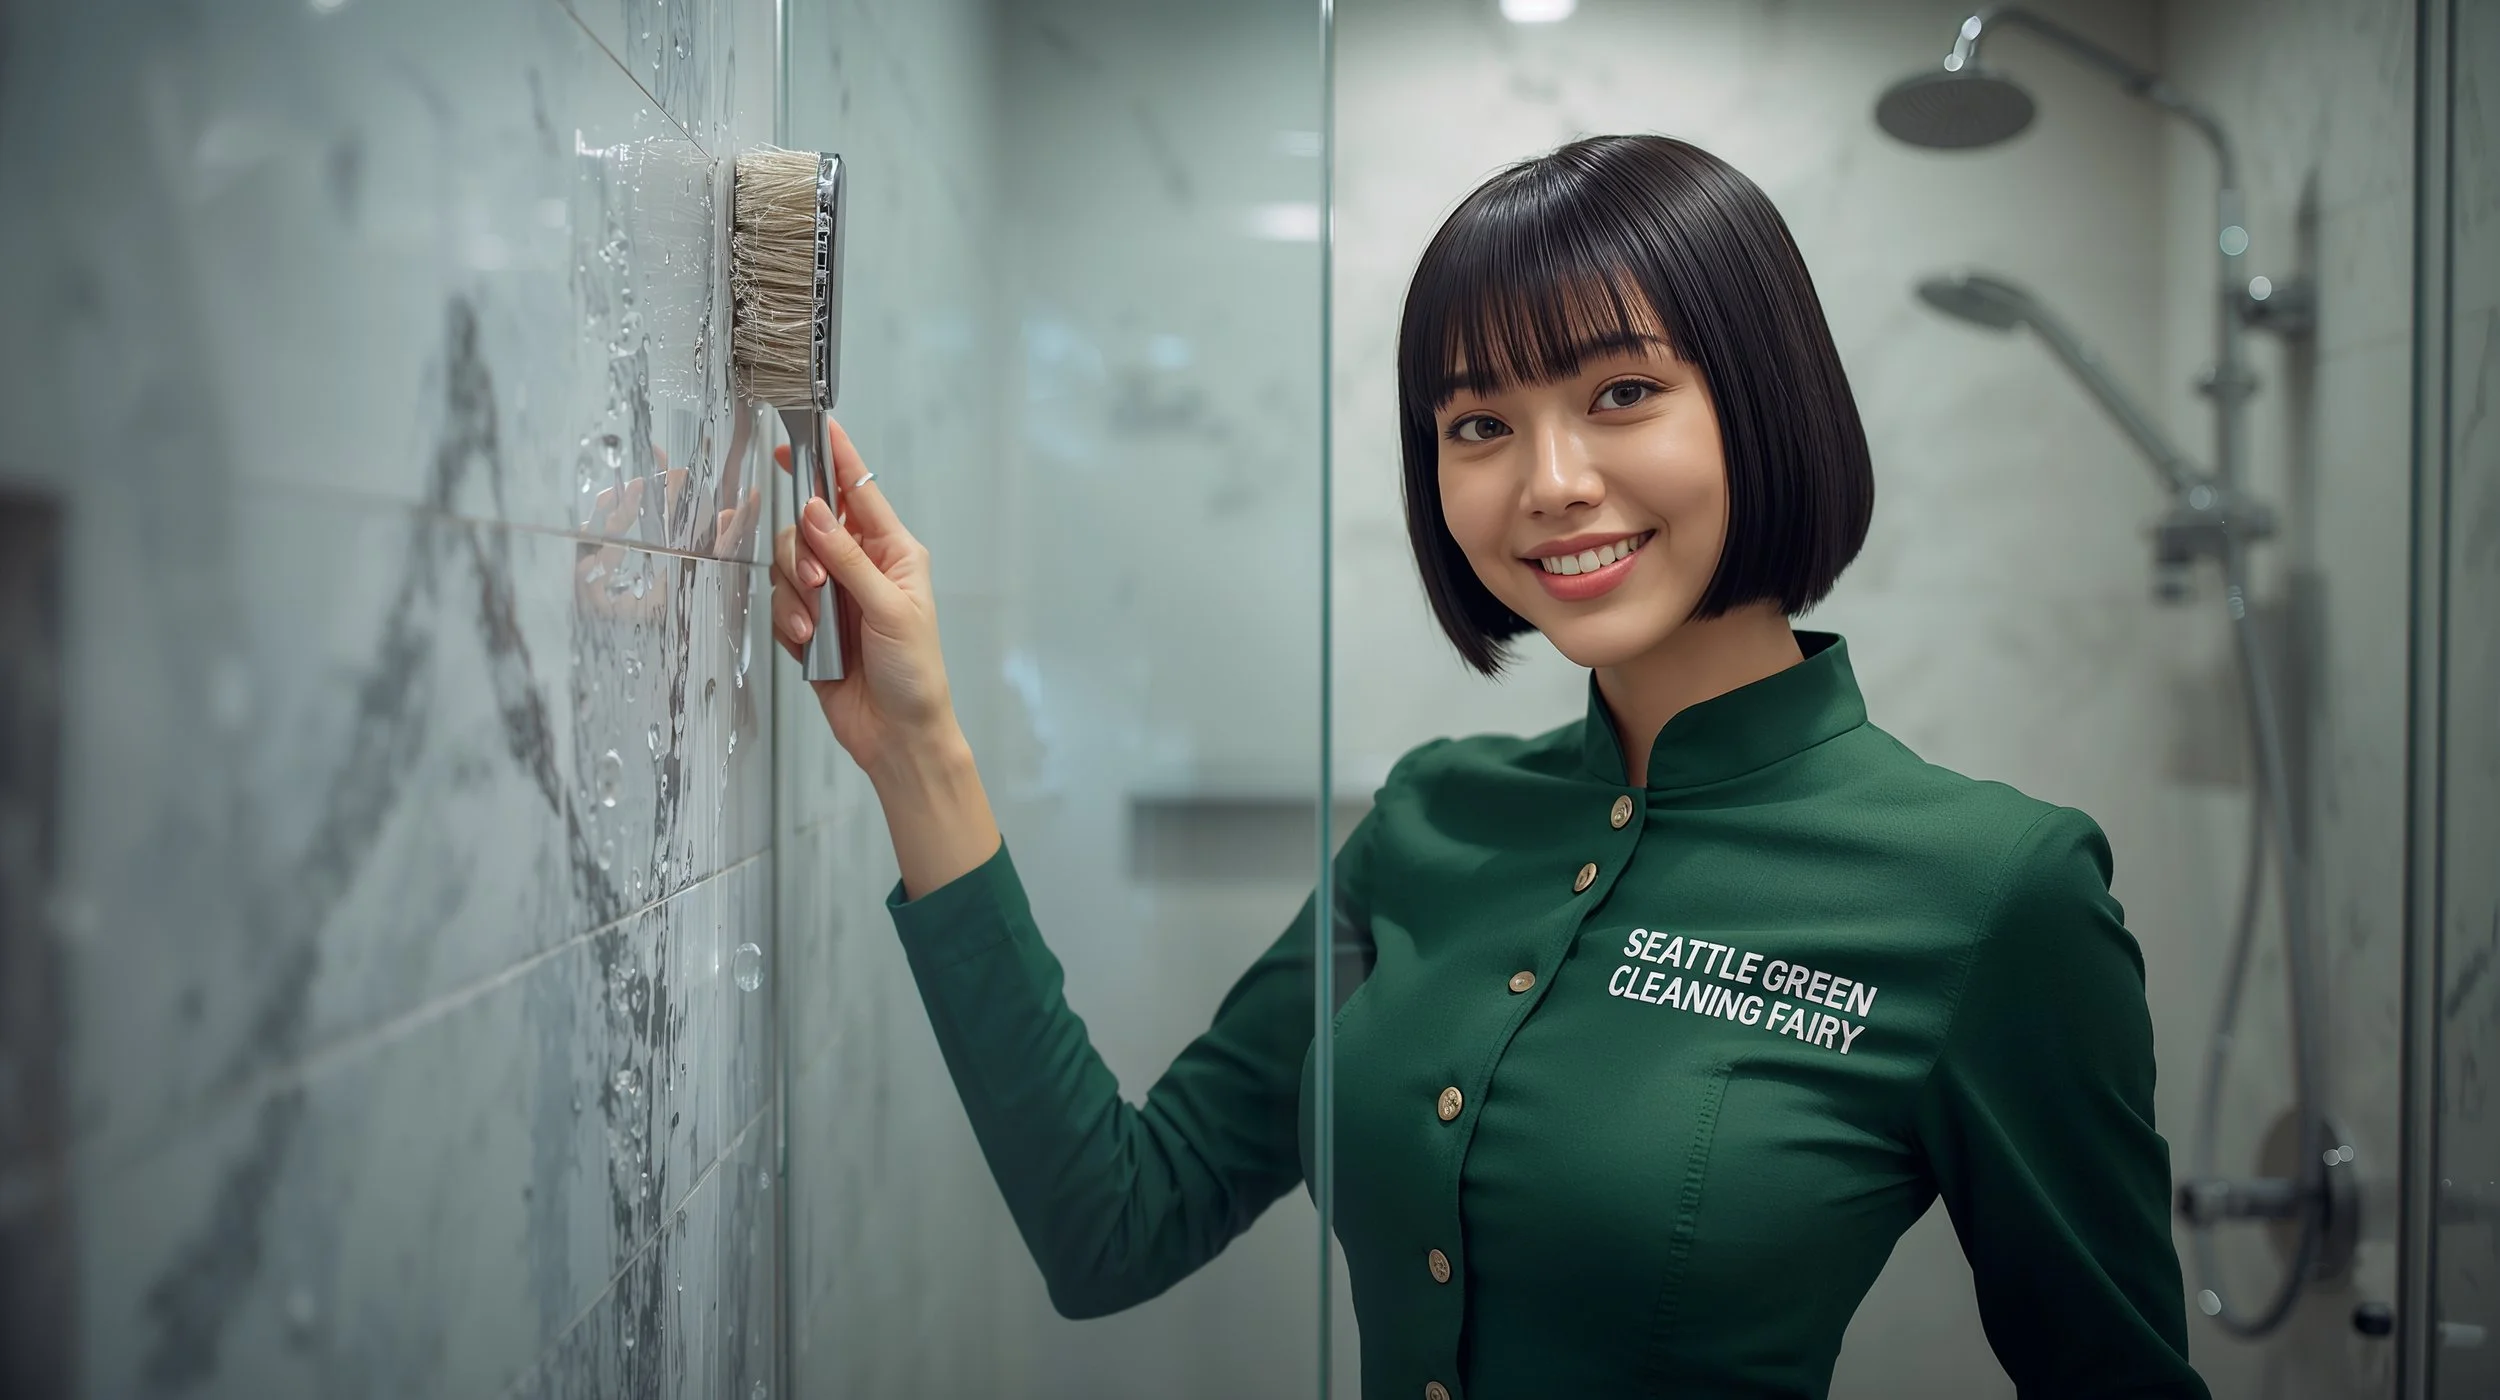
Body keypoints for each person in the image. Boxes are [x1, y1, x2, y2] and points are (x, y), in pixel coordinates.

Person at [769, 134, 2208, 1400]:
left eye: (1625, 391)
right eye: (1479, 425)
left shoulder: (1991, 891)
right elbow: (1117, 1223)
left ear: (1764, 398)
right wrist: (918, 752)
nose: (1550, 481)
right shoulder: (1429, 821)